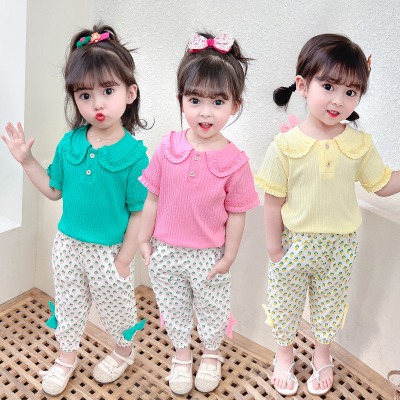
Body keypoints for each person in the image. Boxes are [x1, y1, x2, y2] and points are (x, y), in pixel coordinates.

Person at [2, 25, 149, 396]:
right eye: (85, 95)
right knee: (68, 306)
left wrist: (124, 258)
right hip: (67, 246)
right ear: (75, 98)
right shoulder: (69, 144)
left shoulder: (134, 156)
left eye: (108, 91)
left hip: (109, 252)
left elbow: (139, 212)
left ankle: (124, 351)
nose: (97, 104)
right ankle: (66, 357)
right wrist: (26, 161)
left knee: (116, 308)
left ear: (130, 93)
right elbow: (53, 190)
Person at [255, 33, 400, 397]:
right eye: (329, 86)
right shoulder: (285, 146)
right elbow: (273, 201)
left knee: (329, 306)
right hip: (293, 243)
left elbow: (381, 184)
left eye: (351, 92)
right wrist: (274, 249)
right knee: (284, 305)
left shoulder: (359, 144)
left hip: (339, 247)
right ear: (304, 86)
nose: (338, 100)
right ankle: (284, 354)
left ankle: (323, 355)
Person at [138, 32, 259, 395]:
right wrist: (144, 239)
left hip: (209, 256)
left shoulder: (235, 162)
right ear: (181, 100)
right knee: (172, 308)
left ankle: (211, 354)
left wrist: (229, 256)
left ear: (234, 105)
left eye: (217, 102)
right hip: (166, 252)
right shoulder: (167, 147)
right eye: (195, 100)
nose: (205, 112)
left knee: (212, 309)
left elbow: (237, 215)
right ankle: (181, 354)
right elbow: (152, 198)